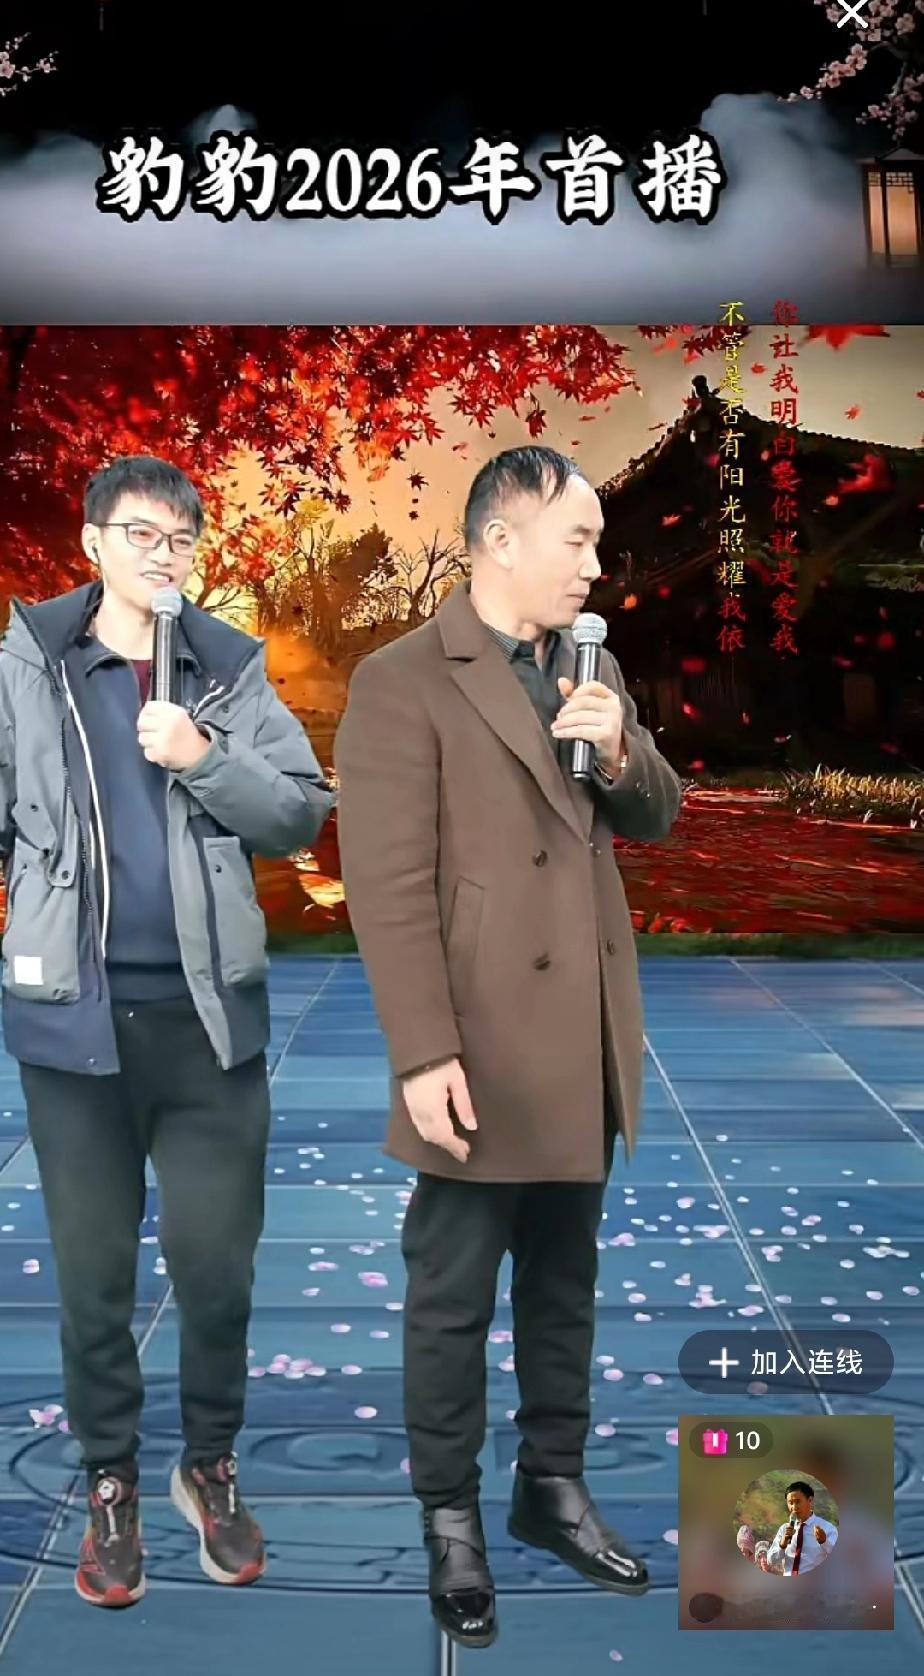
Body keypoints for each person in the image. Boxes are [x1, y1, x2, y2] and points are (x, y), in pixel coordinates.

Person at [334, 445, 683, 1649]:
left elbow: (656, 814)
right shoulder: (401, 678)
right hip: (475, 1044)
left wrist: (622, 746)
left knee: (564, 1280)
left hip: (581, 1030)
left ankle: (552, 1485)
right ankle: (451, 1515)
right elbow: (386, 886)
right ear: (498, 539)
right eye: (576, 540)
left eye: (597, 543)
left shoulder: (594, 664)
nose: (595, 564)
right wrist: (423, 1051)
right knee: (451, 1293)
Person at [0, 455, 334, 1607]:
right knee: (93, 1275)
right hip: (73, 1031)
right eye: (141, 532)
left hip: (207, 1026)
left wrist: (204, 757)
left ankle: (209, 1465)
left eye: (182, 537)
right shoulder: (29, 665)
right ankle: (111, 1481)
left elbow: (298, 812)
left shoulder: (228, 669)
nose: (164, 553)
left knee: (215, 1266)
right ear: (92, 543)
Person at [763, 1482, 838, 1577]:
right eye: (790, 1503)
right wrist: (782, 1545)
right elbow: (770, 1561)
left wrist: (824, 1541)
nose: (794, 1507)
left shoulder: (827, 1528)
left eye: (798, 1502)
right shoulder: (784, 1529)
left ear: (810, 1500)